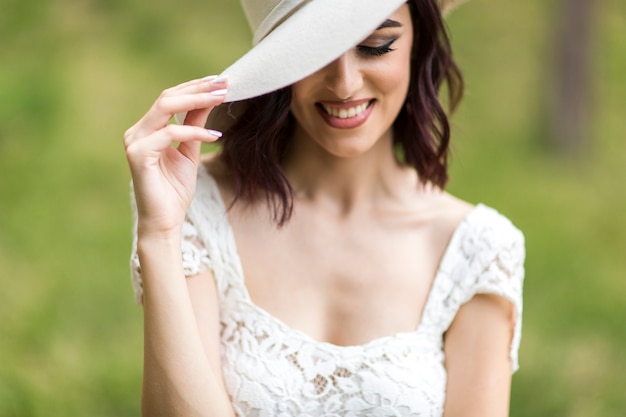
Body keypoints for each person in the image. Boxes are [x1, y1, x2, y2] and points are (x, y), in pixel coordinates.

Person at [124, 0, 526, 415]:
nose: (345, 84)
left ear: (417, 43)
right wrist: (159, 237)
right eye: (314, 52)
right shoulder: (195, 207)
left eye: (376, 46)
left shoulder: (478, 249)